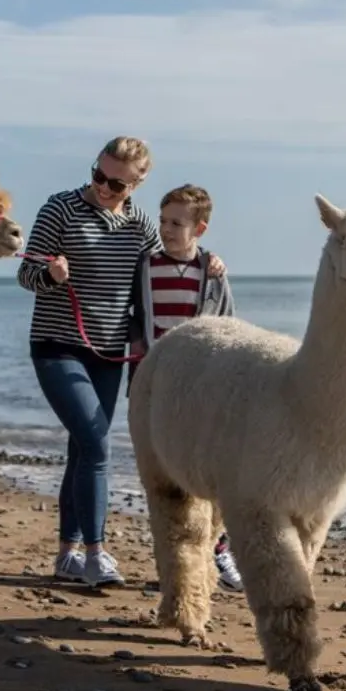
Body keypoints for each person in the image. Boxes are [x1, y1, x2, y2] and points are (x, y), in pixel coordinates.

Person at [17, 137, 225, 589]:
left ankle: (67, 555)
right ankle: (95, 555)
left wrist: (211, 264)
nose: (103, 186)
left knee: (82, 448)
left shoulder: (141, 225)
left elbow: (169, 262)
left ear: (136, 185)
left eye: (116, 183)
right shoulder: (59, 209)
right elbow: (25, 274)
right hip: (57, 346)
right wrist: (50, 274)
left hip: (109, 354)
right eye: (99, 174)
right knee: (96, 444)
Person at [128, 183, 244, 593]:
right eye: (163, 221)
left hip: (200, 390)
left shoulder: (211, 272)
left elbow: (228, 328)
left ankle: (218, 550)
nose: (166, 229)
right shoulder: (146, 266)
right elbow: (134, 319)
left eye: (177, 223)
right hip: (156, 389)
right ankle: (173, 570)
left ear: (200, 228)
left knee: (209, 477)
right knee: (166, 483)